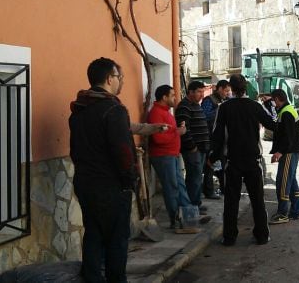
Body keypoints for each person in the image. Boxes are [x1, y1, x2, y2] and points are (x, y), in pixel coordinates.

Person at [69, 57, 136, 282]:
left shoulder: (79, 109)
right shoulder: (113, 109)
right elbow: (123, 151)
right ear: (109, 79)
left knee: (94, 235)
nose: (121, 81)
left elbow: (75, 149)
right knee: (117, 240)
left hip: (85, 183)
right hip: (111, 186)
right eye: (119, 77)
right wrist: (128, 181)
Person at [209, 73, 276, 246]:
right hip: (253, 160)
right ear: (246, 87)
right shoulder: (255, 106)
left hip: (233, 161)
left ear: (230, 87)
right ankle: (261, 235)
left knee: (231, 201)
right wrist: (269, 104)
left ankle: (229, 237)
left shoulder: (224, 108)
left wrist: (213, 157)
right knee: (257, 200)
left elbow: (217, 136)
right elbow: (272, 124)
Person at [148, 84, 211, 234]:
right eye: (172, 95)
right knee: (172, 188)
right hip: (163, 156)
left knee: (180, 187)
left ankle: (189, 216)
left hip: (171, 155)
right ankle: (176, 220)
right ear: (164, 97)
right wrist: (178, 132)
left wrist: (177, 131)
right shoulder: (156, 113)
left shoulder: (165, 112)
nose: (175, 98)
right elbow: (158, 138)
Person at [268, 89, 299, 224]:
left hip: (288, 152)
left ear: (277, 99)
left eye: (273, 100)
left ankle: (283, 213)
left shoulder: (287, 113)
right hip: (291, 151)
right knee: (291, 180)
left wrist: (279, 152)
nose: (272, 103)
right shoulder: (286, 109)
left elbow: (288, 137)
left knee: (282, 182)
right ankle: (297, 210)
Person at [176, 81, 211, 213]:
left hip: (201, 149)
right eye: (199, 92)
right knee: (193, 178)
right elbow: (184, 129)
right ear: (190, 92)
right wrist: (192, 147)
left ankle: (195, 203)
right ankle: (191, 206)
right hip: (193, 150)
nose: (202, 95)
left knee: (197, 177)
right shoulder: (184, 106)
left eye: (202, 92)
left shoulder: (197, 105)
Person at [200, 80, 231, 200]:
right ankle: (208, 191)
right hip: (210, 138)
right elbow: (204, 116)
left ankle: (224, 188)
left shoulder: (225, 101)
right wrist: (219, 110)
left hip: (222, 138)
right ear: (219, 89)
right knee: (210, 165)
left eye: (229, 91)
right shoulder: (209, 101)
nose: (227, 93)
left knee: (223, 164)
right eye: (226, 90)